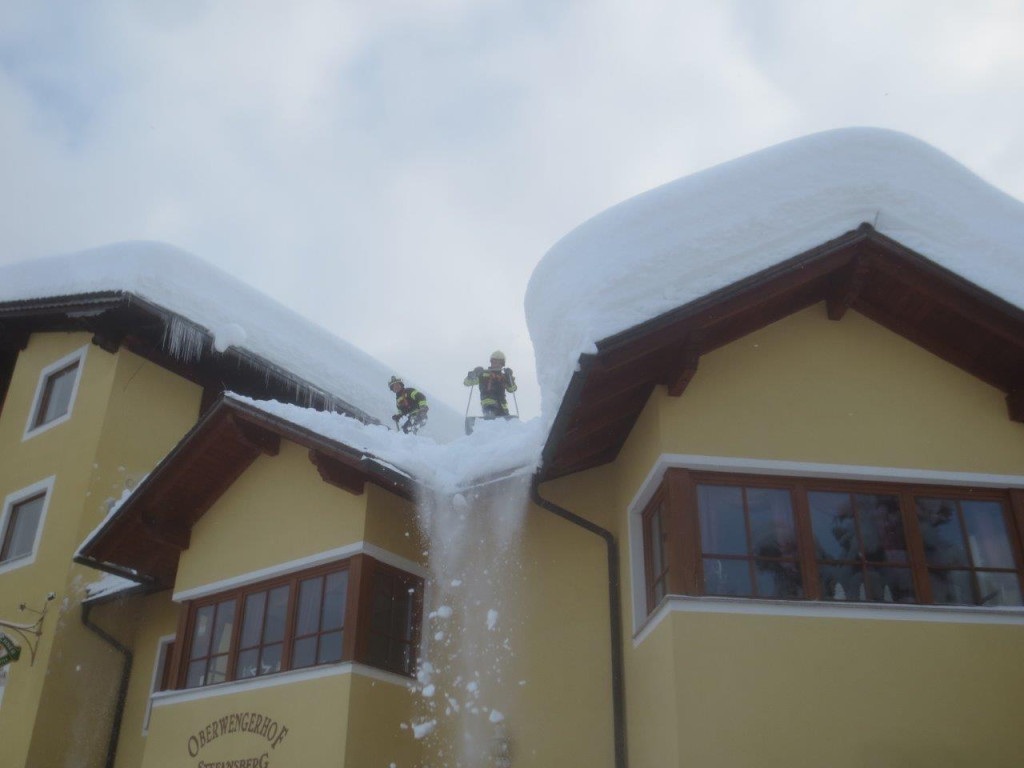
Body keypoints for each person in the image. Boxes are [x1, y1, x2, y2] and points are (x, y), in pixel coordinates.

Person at [464, 351, 517, 419]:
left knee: (507, 423)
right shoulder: (483, 375)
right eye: (494, 362)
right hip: (489, 406)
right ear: (491, 362)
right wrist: (473, 374)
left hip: (503, 408)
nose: (497, 365)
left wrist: (510, 378)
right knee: (491, 418)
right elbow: (467, 383)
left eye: (499, 363)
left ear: (503, 364)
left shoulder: (503, 377)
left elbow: (512, 389)